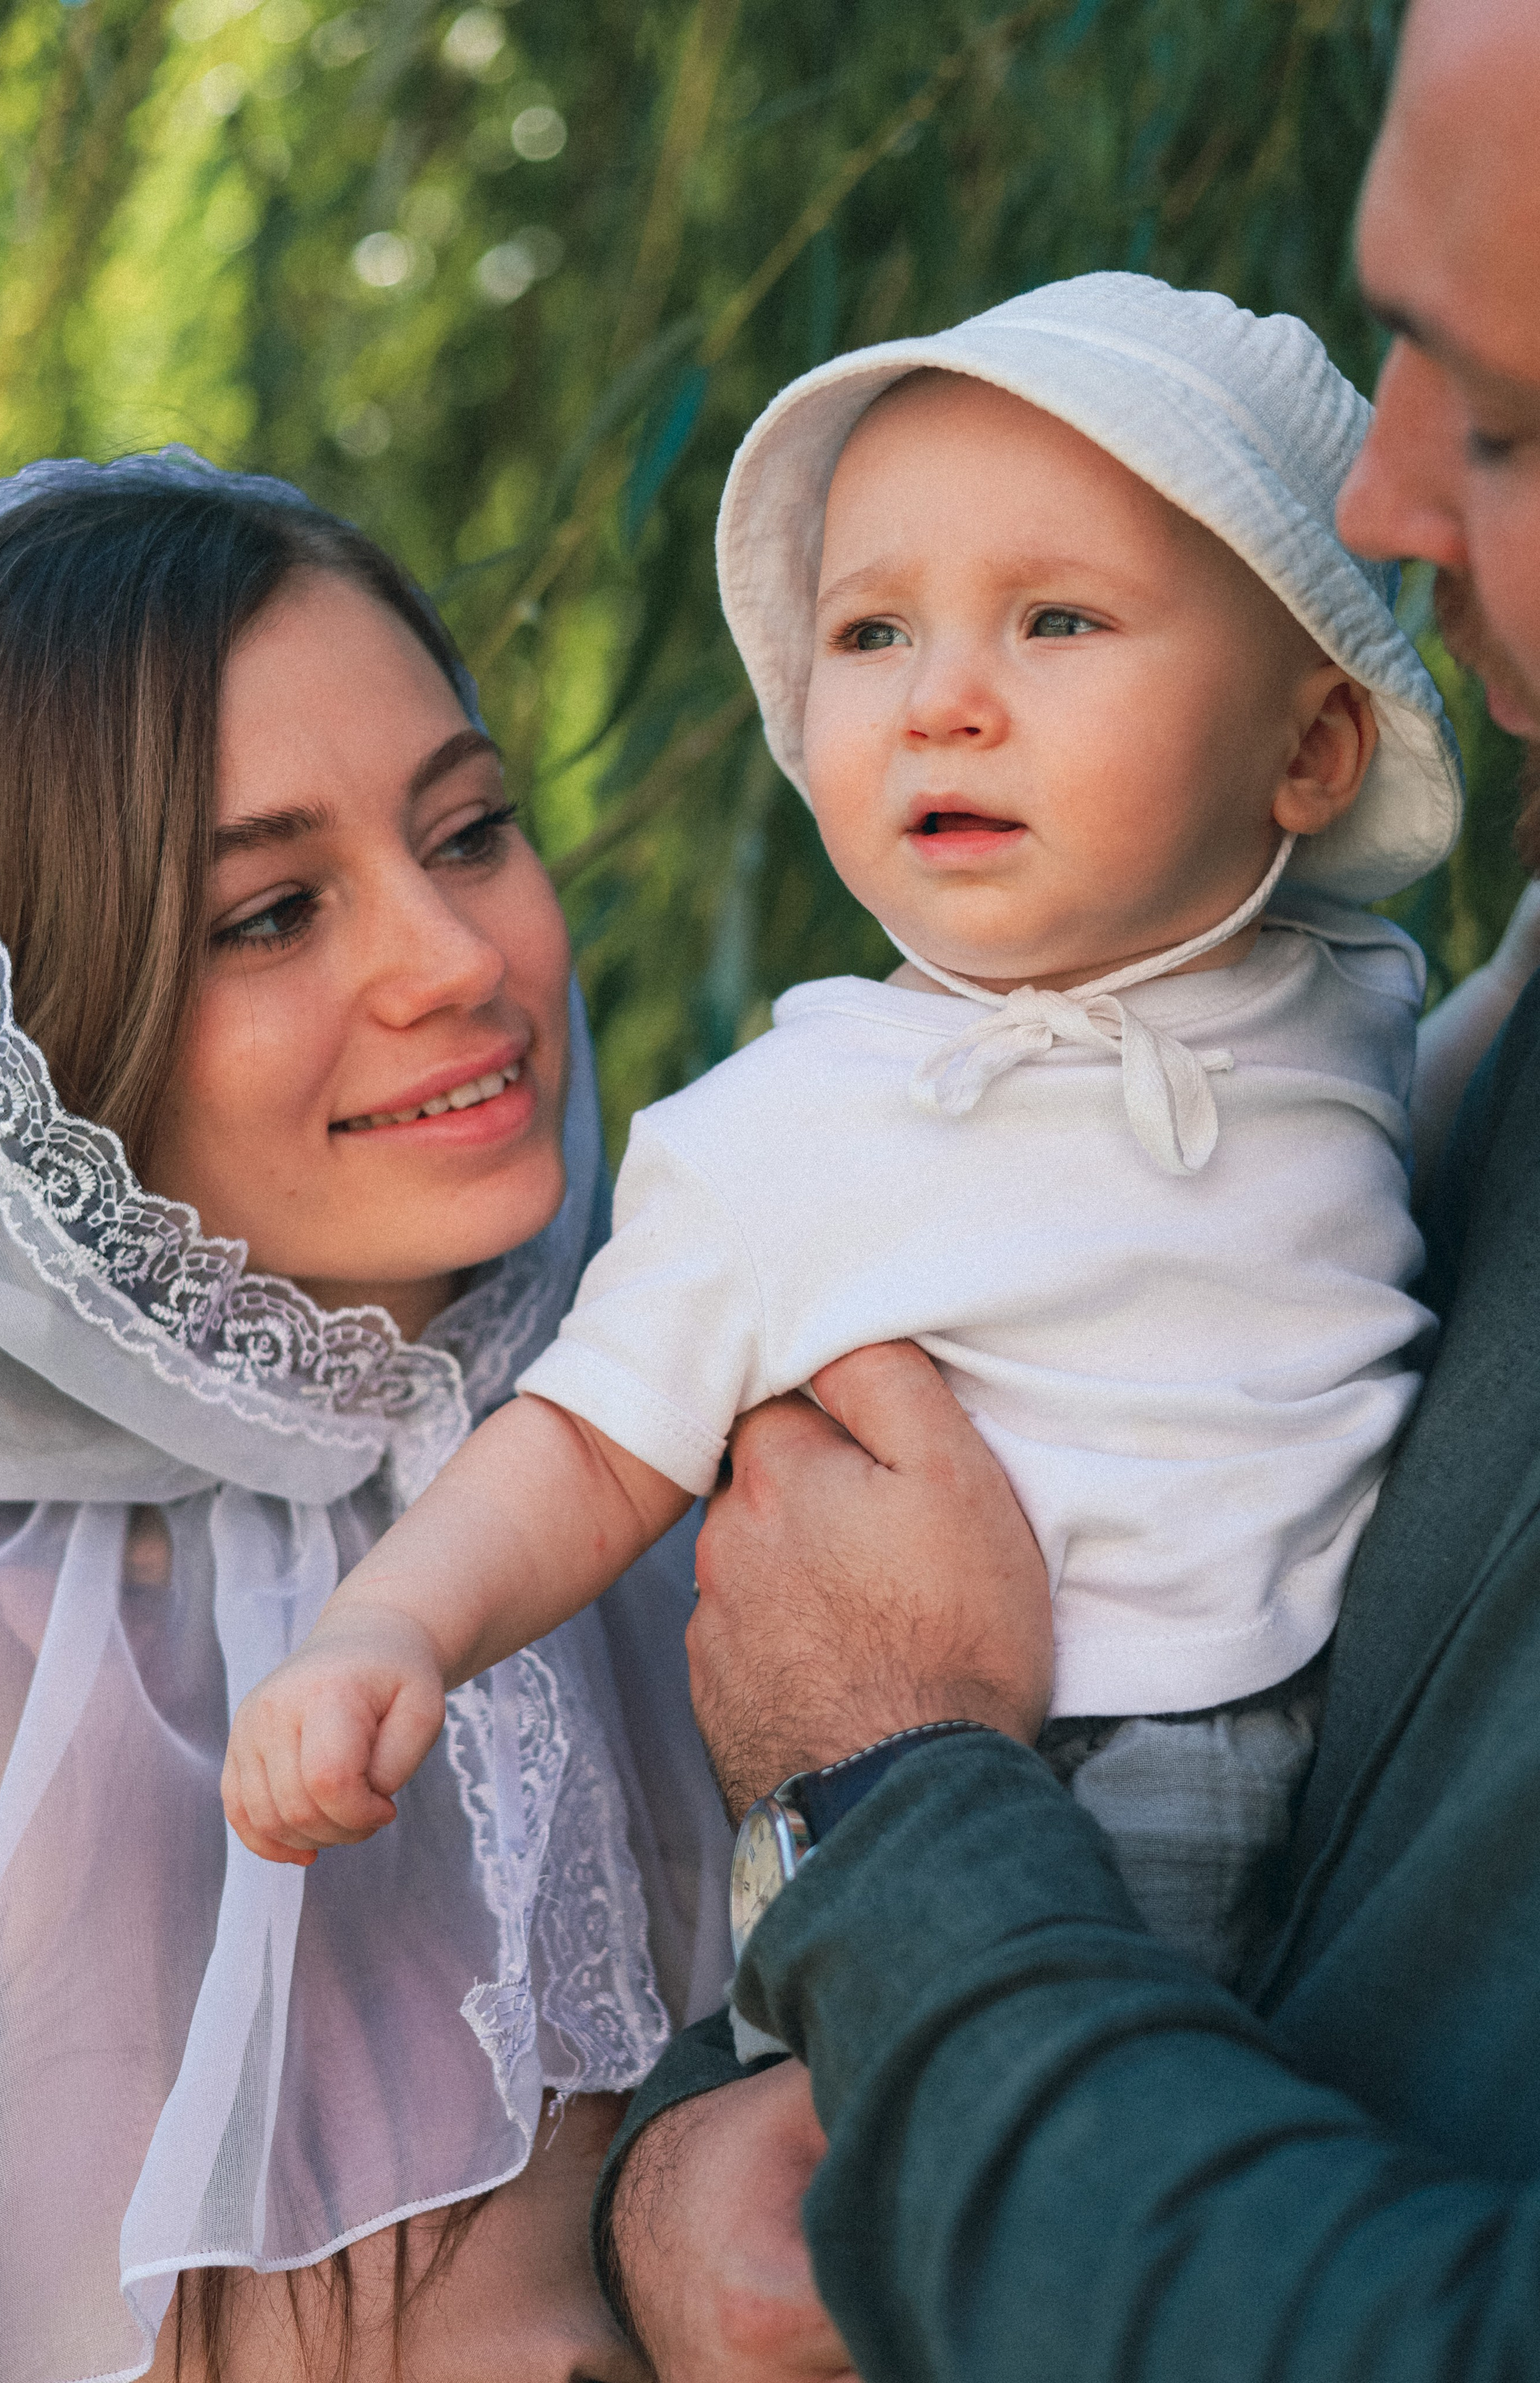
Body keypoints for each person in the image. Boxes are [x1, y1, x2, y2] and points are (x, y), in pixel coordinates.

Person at [594, 0, 1540, 2376]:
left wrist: (888, 1810)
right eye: (877, 626)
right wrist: (696, 2185)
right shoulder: (1398, 1036)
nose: (1392, 505)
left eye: (1518, 419)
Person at [226, 274, 1490, 1997]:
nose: (942, 701)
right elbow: (593, 1443)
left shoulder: (1342, 990)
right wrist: (396, 1627)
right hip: (1036, 1776)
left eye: (1056, 622)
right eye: (872, 631)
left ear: (1313, 747)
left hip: (1388, 1745)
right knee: (1040, 2214)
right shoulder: (788, 1129)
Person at [0, 448, 732, 2383]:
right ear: (31, 1044)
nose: (459, 963)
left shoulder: (732, 1416)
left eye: (470, 832)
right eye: (273, 915)